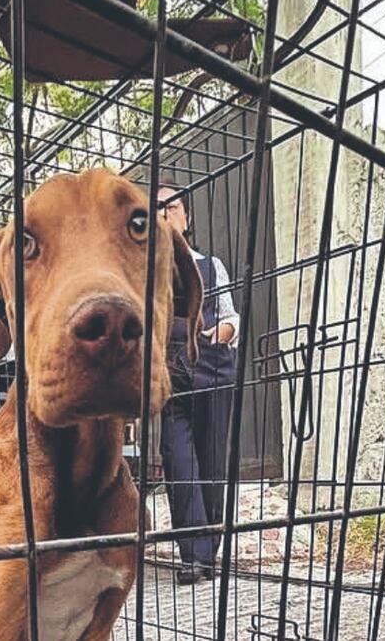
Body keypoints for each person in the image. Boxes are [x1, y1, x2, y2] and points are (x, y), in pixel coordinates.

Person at [157, 187, 240, 586]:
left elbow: (230, 317)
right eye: (155, 211)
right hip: (171, 373)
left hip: (211, 365)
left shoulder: (211, 266)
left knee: (210, 463)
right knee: (178, 459)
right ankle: (195, 555)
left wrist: (216, 336)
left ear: (186, 218)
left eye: (170, 208)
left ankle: (209, 551)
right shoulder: (146, 274)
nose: (164, 216)